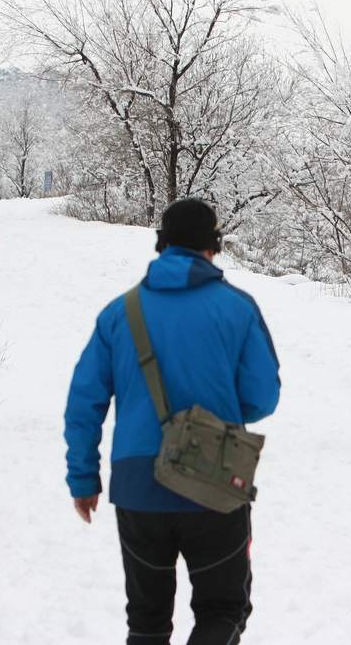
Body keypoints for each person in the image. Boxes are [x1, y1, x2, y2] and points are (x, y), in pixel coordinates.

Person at [64, 197, 281, 645]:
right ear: (212, 247)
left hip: (138, 486)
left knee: (146, 620)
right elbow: (263, 396)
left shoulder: (119, 313)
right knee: (223, 610)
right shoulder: (238, 307)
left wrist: (83, 478)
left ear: (162, 245)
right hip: (215, 485)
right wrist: (218, 411)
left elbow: (84, 402)